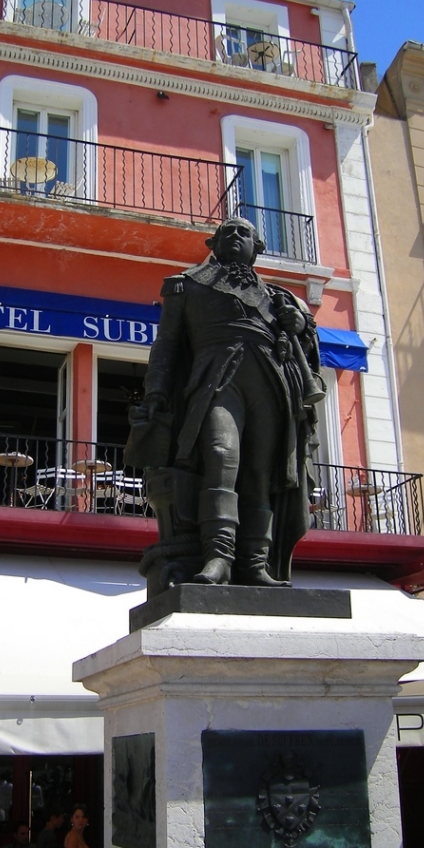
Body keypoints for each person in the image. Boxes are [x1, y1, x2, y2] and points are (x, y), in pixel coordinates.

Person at [128, 216, 323, 590]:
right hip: (215, 377)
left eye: (244, 233)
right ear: (212, 244)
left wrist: (298, 324)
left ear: (257, 248)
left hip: (270, 383)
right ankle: (219, 555)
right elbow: (166, 345)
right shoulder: (186, 285)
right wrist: (155, 390)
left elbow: (307, 351)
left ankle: (254, 563)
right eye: (227, 232)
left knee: (261, 473)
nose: (235, 236)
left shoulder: (278, 298)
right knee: (220, 454)